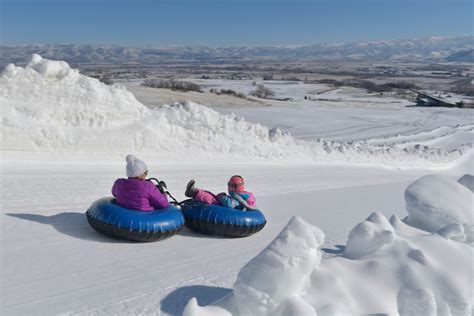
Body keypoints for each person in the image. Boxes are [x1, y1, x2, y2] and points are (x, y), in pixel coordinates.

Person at [184, 175, 256, 210]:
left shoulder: (238, 200)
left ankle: (193, 193)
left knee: (212, 200)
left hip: (225, 209)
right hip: (227, 203)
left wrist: (221, 196)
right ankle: (195, 191)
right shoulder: (242, 196)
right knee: (212, 195)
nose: (229, 188)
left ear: (237, 187)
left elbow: (228, 204)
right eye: (229, 185)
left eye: (231, 186)